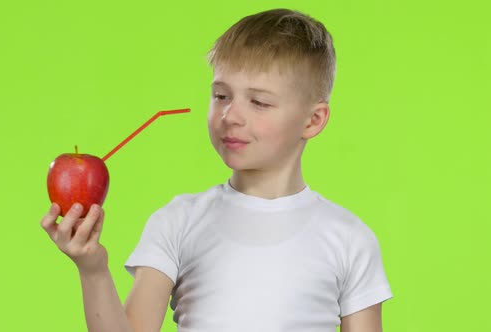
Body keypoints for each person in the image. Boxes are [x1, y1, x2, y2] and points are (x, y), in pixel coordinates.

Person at [41, 8, 393, 332]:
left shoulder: (350, 241)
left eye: (258, 102)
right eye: (221, 96)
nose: (231, 116)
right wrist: (93, 270)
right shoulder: (177, 221)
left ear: (313, 120)